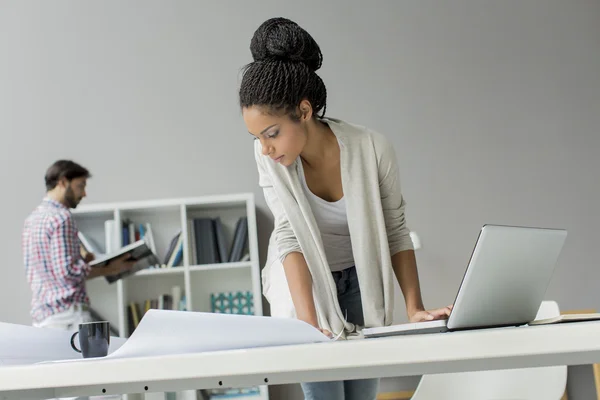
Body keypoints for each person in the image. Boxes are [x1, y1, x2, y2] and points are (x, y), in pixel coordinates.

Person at [238, 17, 452, 400]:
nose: (266, 147)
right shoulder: (268, 157)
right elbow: (288, 235)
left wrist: (415, 308)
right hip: (306, 282)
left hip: (359, 275)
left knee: (361, 393)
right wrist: (307, 322)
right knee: (324, 394)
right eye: (257, 137)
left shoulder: (372, 148)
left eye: (272, 134)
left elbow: (395, 229)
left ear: (304, 111)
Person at [22, 160, 134, 331]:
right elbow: (67, 272)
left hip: (44, 317)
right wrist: (111, 268)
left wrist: (82, 260)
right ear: (63, 182)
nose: (84, 193)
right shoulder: (62, 218)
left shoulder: (32, 219)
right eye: (80, 186)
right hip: (67, 317)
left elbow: (47, 269)